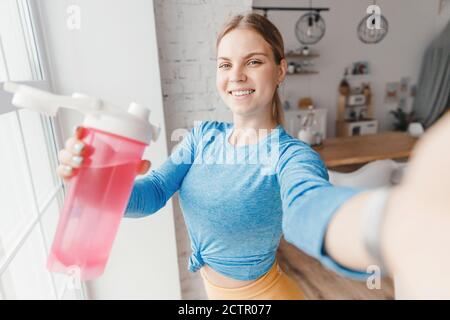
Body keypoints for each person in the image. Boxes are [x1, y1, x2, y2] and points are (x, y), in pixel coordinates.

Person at [56, 13, 450, 300]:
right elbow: (152, 193)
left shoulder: (290, 155)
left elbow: (306, 209)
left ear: (280, 71)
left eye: (254, 62)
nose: (236, 75)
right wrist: (95, 181)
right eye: (225, 64)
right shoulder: (201, 138)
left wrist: (387, 226)